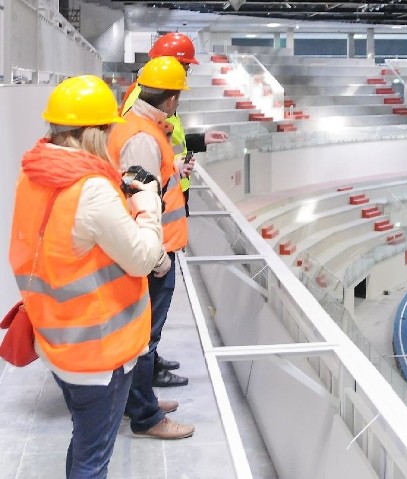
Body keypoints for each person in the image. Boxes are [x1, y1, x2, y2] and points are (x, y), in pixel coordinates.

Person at [8, 75, 166, 478]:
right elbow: (142, 258)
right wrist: (148, 204)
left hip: (58, 340)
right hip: (100, 355)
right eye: (109, 129)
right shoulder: (91, 190)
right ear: (94, 132)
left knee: (85, 442)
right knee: (93, 460)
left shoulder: (35, 174)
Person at [123, 32, 228, 385]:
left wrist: (193, 146)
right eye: (184, 68)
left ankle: (149, 366)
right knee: (151, 312)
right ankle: (143, 390)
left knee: (154, 314)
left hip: (168, 212)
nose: (185, 77)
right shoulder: (140, 114)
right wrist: (155, 253)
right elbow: (140, 179)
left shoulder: (147, 101)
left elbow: (167, 145)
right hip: (157, 232)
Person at [108, 56, 195, 439]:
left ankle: (139, 399)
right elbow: (137, 201)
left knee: (145, 335)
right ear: (171, 100)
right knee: (145, 337)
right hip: (152, 255)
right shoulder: (142, 137)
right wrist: (157, 257)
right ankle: (145, 416)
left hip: (154, 250)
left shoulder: (140, 128)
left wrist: (173, 167)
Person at [121, 32, 229, 217]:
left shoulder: (153, 97)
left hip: (172, 187)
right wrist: (172, 167)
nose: (186, 73)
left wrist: (200, 140)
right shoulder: (145, 98)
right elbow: (135, 164)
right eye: (185, 66)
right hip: (162, 199)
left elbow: (166, 141)